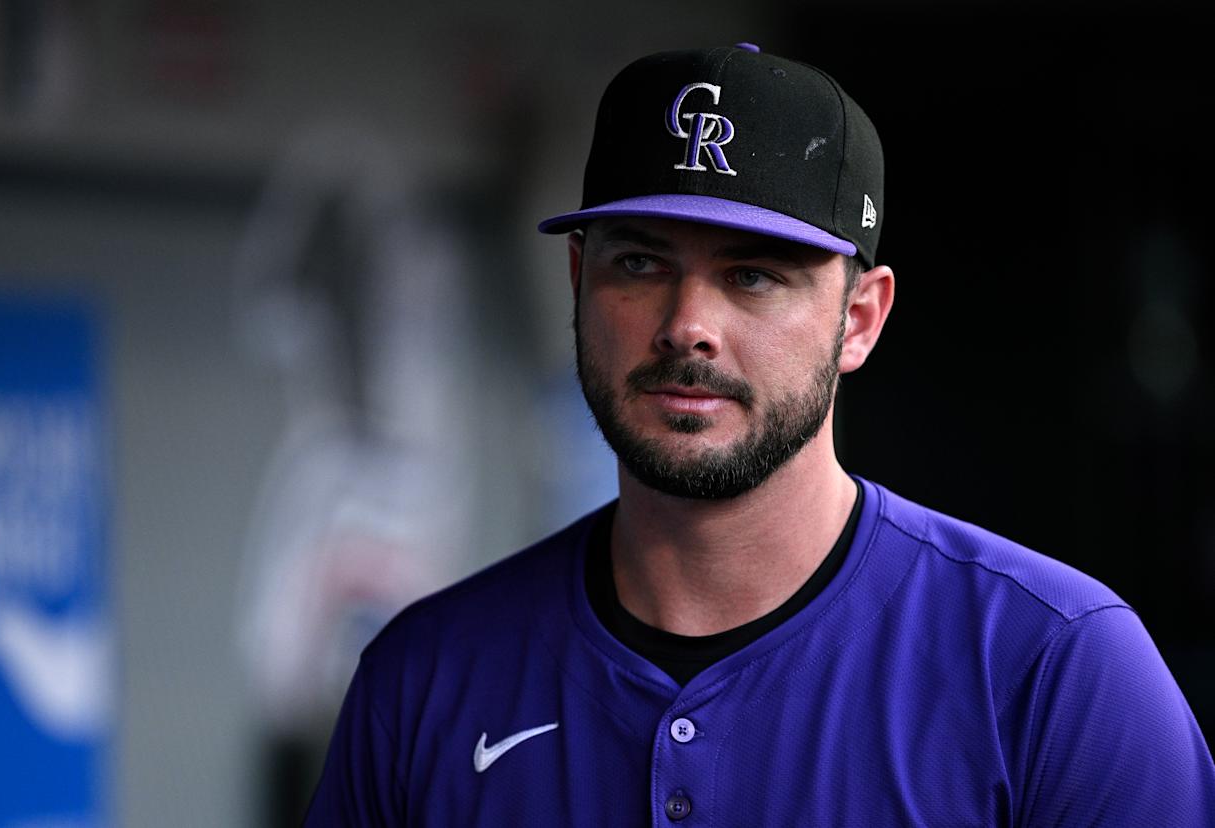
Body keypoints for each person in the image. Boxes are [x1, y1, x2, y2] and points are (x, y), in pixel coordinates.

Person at [305, 43, 1215, 826]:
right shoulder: (422, 678)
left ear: (860, 319)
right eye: (640, 261)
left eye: (753, 275)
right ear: (579, 280)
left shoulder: (1057, 668)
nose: (686, 326)